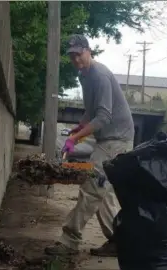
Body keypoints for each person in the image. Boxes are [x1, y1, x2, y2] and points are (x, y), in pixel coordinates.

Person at [45, 34, 135, 257]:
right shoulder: (84, 76)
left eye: (79, 53)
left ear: (88, 51)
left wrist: (76, 139)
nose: (76, 59)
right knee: (102, 193)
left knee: (92, 186)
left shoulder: (100, 75)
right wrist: (80, 127)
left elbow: (104, 117)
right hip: (109, 139)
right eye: (72, 55)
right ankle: (120, 241)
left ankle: (69, 241)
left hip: (118, 140)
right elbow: (91, 111)